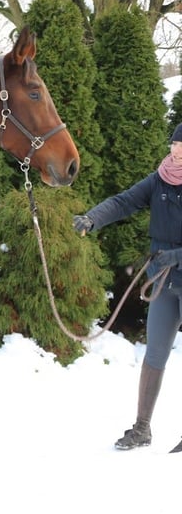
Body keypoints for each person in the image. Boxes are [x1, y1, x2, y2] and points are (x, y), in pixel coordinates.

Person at [73, 122, 182, 453]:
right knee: (155, 353)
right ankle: (142, 428)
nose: (176, 151)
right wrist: (92, 218)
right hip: (163, 280)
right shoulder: (159, 179)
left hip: (174, 265)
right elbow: (124, 202)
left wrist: (177, 256)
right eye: (174, 145)